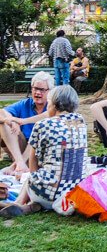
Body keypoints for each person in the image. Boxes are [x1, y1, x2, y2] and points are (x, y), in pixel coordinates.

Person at [0, 86, 89, 217]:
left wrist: (31, 179)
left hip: (46, 193)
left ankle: (19, 203)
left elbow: (33, 164)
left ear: (53, 104)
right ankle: (31, 207)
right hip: (72, 192)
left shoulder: (42, 125)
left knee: (31, 179)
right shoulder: (81, 122)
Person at [0, 71, 52, 174]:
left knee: (39, 129)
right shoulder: (25, 104)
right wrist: (10, 120)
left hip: (43, 151)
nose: (37, 93)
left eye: (41, 90)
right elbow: (1, 112)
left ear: (49, 91)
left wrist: (21, 121)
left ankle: (17, 164)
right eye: (35, 88)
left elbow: (50, 115)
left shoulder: (52, 105)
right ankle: (20, 163)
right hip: (22, 148)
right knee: (3, 123)